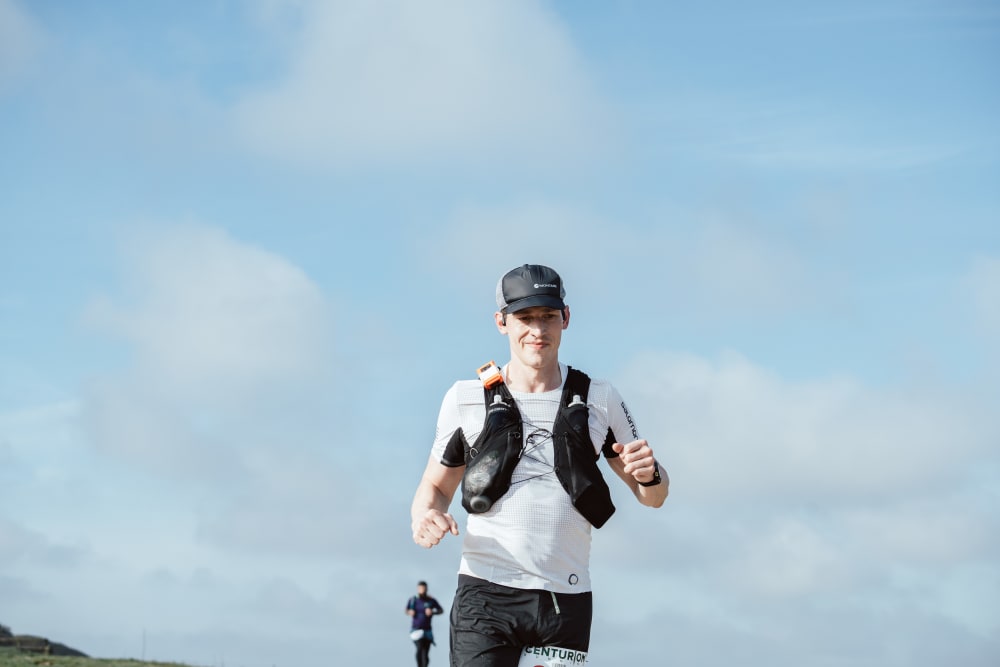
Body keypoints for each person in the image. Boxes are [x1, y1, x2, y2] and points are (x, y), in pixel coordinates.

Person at [410, 264, 669, 667]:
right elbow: (436, 487)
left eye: (548, 316)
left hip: (565, 600)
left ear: (565, 318)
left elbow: (653, 496)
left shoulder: (599, 397)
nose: (537, 330)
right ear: (501, 322)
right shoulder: (465, 398)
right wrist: (425, 516)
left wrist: (650, 474)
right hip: (486, 594)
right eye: (524, 318)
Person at [406, 580, 445, 667]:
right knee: (420, 648)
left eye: (424, 588)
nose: (422, 590)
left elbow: (441, 610)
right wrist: (410, 612)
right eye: (420, 588)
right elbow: (406, 610)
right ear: (418, 589)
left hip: (427, 631)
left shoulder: (431, 600)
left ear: (426, 589)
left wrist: (432, 612)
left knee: (425, 653)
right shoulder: (413, 600)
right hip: (416, 630)